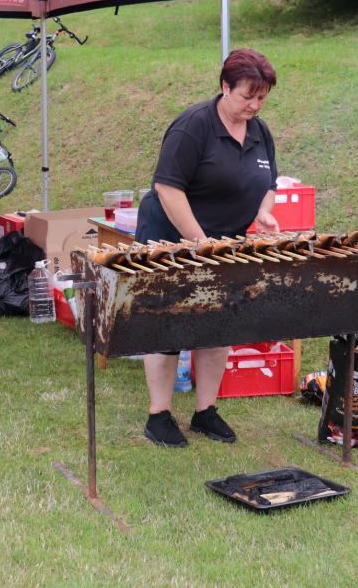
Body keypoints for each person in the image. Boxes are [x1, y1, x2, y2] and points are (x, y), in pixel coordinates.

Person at [134, 48, 281, 448]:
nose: (255, 105)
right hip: (170, 237)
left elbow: (268, 183)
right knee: (166, 324)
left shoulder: (259, 132)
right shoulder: (193, 126)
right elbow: (168, 188)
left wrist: (264, 213)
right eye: (248, 96)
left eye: (262, 98)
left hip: (221, 243)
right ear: (225, 87)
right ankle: (159, 415)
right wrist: (199, 243)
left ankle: (205, 411)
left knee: (218, 325)